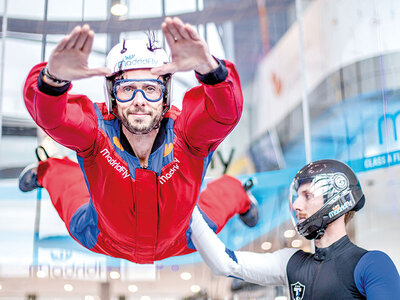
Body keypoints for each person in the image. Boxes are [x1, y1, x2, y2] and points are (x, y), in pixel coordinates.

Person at [20, 17, 258, 264]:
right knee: (64, 182)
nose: (139, 100)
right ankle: (44, 170)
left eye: (151, 88)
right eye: (127, 89)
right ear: (112, 95)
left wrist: (211, 70)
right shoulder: (97, 132)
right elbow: (55, 119)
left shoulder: (186, 135)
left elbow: (223, 114)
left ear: (165, 95)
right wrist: (52, 81)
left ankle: (243, 196)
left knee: (228, 194)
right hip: (101, 235)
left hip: (183, 237)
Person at [190, 159, 400, 299]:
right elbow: (226, 264)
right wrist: (186, 205)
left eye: (307, 195)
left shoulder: (371, 264)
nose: (297, 205)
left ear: (337, 201)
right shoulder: (292, 263)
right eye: (297, 196)